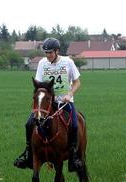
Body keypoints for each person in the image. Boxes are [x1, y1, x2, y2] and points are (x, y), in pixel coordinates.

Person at [14, 37, 83, 172]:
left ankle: (73, 156)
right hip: (47, 104)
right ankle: (28, 154)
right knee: (29, 124)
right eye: (46, 53)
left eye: (50, 52)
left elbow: (77, 82)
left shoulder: (68, 62)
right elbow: (38, 84)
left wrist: (69, 94)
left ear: (57, 51)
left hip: (64, 102)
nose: (48, 55)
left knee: (74, 125)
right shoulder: (42, 63)